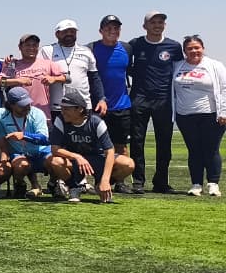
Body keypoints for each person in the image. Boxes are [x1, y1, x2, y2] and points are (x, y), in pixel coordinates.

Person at [128, 11, 182, 195]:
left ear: (164, 25)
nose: (157, 25)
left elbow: (179, 70)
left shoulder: (174, 46)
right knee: (137, 142)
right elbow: (126, 67)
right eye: (153, 22)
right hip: (139, 99)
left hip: (164, 101)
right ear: (145, 26)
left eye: (160, 22)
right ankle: (138, 181)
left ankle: (161, 182)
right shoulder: (135, 44)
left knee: (164, 143)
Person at [48, 89, 134, 203]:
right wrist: (77, 157)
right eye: (62, 108)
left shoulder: (96, 122)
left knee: (128, 164)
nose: (62, 112)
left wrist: (105, 180)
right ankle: (74, 187)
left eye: (66, 109)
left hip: (98, 159)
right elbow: (55, 149)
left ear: (79, 109)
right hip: (74, 161)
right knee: (55, 161)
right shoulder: (60, 120)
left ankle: (100, 185)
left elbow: (109, 151)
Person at [171, 35, 226, 197]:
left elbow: (224, 88)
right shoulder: (177, 66)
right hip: (185, 115)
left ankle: (213, 184)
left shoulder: (215, 65)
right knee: (194, 150)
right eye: (190, 48)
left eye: (197, 47)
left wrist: (223, 112)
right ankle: (196, 184)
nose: (194, 51)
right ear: (184, 51)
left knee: (211, 149)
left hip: (211, 115)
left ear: (203, 48)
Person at [90, 16, 134, 183]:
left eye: (116, 28)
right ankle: (94, 180)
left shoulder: (127, 48)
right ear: (100, 31)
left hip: (122, 106)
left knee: (121, 146)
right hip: (98, 107)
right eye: (108, 28)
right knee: (96, 147)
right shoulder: (91, 49)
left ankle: (119, 181)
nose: (112, 31)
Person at [0, 86, 51, 198]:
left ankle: (54, 183)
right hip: (20, 154)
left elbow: (44, 139)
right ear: (11, 105)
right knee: (21, 165)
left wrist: (24, 136)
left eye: (28, 103)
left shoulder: (37, 113)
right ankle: (20, 184)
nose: (27, 106)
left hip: (41, 152)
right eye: (22, 105)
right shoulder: (2, 114)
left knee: (57, 162)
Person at [42, 20, 104, 116]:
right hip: (58, 108)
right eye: (65, 31)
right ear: (57, 34)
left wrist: (101, 99)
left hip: (83, 106)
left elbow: (94, 78)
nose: (69, 34)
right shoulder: (47, 51)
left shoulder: (86, 51)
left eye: (72, 31)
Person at [0, 33, 66, 124]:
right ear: (20, 47)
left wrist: (54, 79)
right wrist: (17, 80)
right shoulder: (13, 65)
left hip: (43, 116)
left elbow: (66, 78)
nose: (31, 48)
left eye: (34, 45)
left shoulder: (48, 64)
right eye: (27, 45)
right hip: (18, 116)